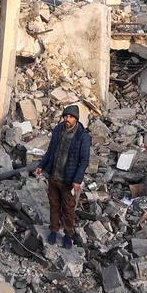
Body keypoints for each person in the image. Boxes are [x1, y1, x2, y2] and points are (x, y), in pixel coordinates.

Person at [34, 105, 91, 249]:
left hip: (69, 180)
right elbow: (50, 151)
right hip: (54, 176)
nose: (67, 119)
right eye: (66, 116)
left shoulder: (82, 136)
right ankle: (53, 230)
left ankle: (67, 235)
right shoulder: (58, 130)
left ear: (76, 119)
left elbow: (84, 160)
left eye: (71, 117)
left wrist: (77, 179)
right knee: (54, 205)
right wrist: (41, 165)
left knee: (68, 208)